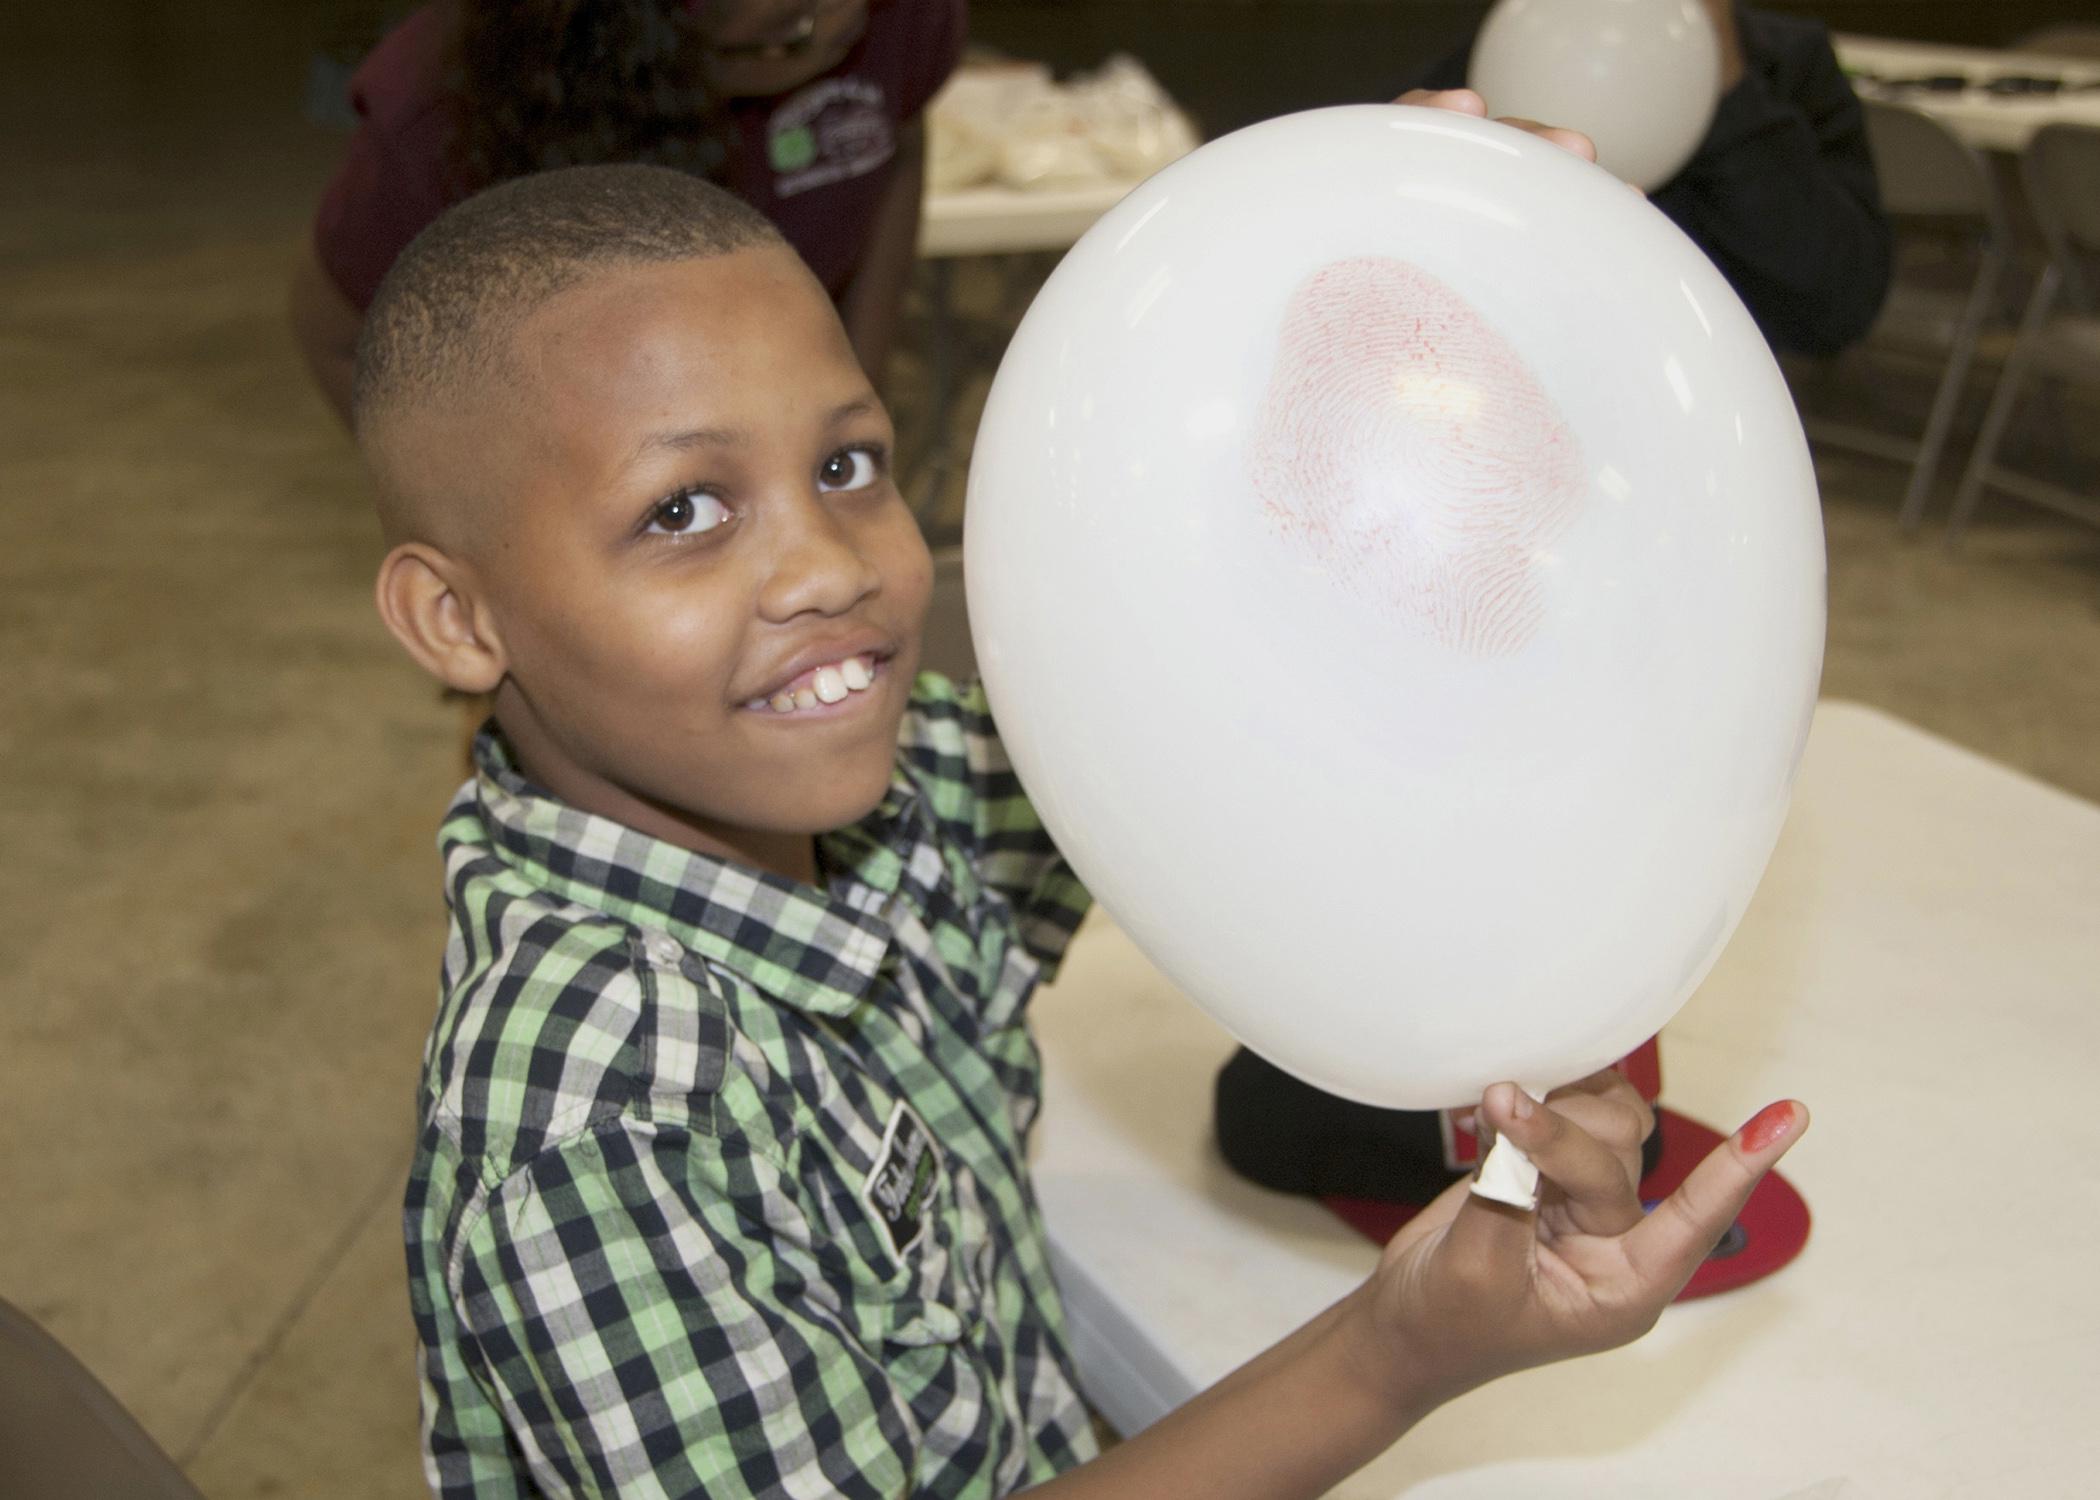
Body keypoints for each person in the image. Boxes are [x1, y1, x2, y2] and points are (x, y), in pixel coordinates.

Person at [357, 141, 1806, 1495]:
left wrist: (1370, 239)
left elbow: (1216, 698)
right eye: (683, 510)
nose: (826, 566)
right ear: (456, 616)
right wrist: (1398, 1350)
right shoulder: (596, 1129)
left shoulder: (894, 784)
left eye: (847, 464)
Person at [291, 0, 961, 422]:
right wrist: (498, 524)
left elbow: (899, 135)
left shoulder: (901, 18)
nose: (836, 22)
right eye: (781, 39)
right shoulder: (444, 108)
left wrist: (859, 401)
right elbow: (339, 339)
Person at [1412, 0, 1893, 357]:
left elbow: (1839, 307)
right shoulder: (1502, 44)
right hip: (1514, 374)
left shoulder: (1788, 64)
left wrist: (1729, 88)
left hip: (1705, 399)